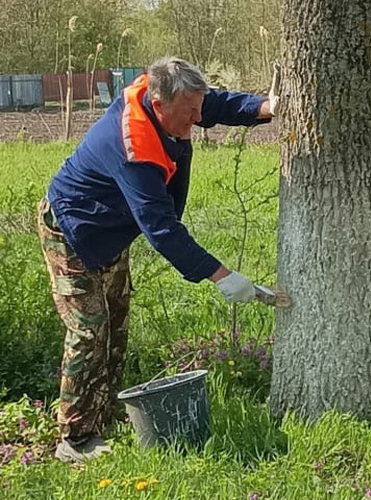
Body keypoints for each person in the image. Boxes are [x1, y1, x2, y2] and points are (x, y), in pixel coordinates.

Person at [38, 57, 279, 462]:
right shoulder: (135, 148)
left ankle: (106, 415)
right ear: (159, 102)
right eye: (188, 114)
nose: (197, 121)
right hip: (72, 229)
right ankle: (74, 437)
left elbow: (214, 105)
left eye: (196, 109)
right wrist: (221, 276)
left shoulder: (171, 101)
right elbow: (161, 228)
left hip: (111, 230)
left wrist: (263, 108)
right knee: (89, 329)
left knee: (116, 321)